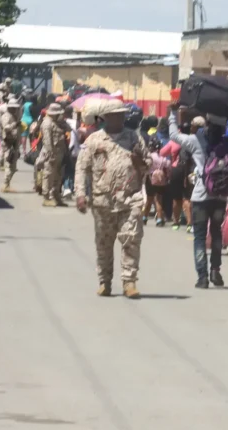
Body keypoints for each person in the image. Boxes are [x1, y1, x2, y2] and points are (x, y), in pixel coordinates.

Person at [169, 107, 228, 289]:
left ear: (208, 123)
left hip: (200, 197)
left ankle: (202, 276)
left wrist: (173, 113)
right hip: (220, 197)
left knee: (200, 237)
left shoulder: (196, 141)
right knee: (217, 234)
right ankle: (215, 270)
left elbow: (173, 135)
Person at [74, 99, 151, 299]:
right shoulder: (93, 140)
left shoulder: (134, 138)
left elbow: (149, 165)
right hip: (103, 201)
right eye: (116, 114)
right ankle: (104, 281)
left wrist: (139, 161)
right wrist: (80, 194)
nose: (120, 117)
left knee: (131, 240)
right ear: (106, 117)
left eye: (122, 114)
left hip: (130, 199)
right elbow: (82, 169)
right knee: (104, 244)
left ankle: (129, 282)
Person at [161, 128, 194, 232]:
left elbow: (162, 152)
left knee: (176, 198)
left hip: (176, 170)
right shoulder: (192, 141)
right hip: (188, 171)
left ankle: (176, 222)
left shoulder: (175, 141)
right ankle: (189, 223)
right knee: (187, 198)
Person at [39, 103, 70, 207]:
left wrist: (63, 122)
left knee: (59, 175)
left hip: (60, 153)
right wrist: (50, 153)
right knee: (49, 175)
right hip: (51, 153)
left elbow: (69, 129)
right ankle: (46, 197)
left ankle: (56, 196)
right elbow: (47, 140)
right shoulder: (47, 123)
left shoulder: (59, 122)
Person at [143, 138, 170, 227]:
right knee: (158, 200)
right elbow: (168, 166)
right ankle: (159, 219)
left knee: (149, 199)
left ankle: (144, 217)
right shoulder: (163, 158)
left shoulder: (150, 156)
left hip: (150, 179)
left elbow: (145, 167)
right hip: (160, 180)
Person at [0, 97, 21, 192]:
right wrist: (14, 125)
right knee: (9, 164)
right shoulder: (6, 116)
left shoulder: (14, 115)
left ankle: (7, 183)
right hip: (8, 142)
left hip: (14, 142)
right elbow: (6, 127)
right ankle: (5, 184)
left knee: (13, 166)